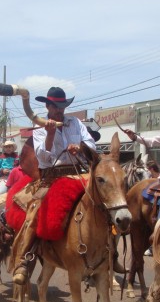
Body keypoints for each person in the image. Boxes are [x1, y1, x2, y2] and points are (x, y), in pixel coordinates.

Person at [10, 87, 96, 285]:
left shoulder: (75, 123)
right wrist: (49, 134)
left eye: (62, 107)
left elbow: (91, 144)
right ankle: (25, 257)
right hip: (52, 177)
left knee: (106, 200)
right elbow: (42, 156)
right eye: (56, 107)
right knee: (35, 210)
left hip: (79, 174)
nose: (59, 110)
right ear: (47, 106)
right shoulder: (40, 126)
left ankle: (109, 253)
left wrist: (80, 147)